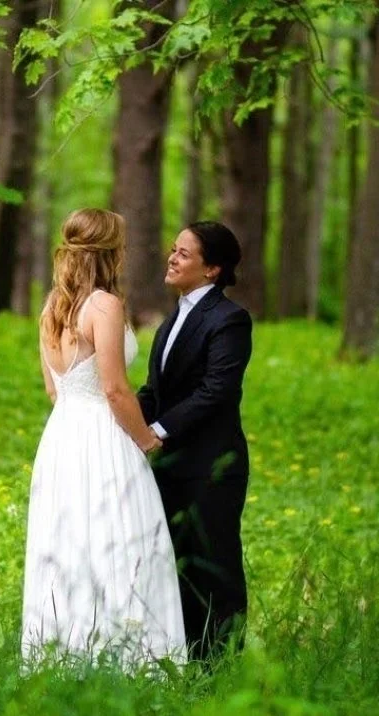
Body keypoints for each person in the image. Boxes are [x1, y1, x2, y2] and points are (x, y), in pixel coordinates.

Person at [21, 208, 186, 669]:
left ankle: (65, 655)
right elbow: (114, 388)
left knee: (70, 541)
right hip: (102, 433)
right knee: (123, 537)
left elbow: (55, 389)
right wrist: (146, 440)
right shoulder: (105, 306)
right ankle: (132, 658)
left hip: (62, 437)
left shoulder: (51, 308)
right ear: (112, 251)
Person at [137, 221, 252, 663]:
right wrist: (119, 421)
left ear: (212, 269)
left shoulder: (229, 320)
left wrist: (157, 431)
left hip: (212, 466)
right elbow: (156, 391)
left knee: (215, 565)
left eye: (184, 254)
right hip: (173, 467)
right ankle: (187, 657)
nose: (172, 257)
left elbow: (215, 389)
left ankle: (221, 665)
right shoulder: (174, 318)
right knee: (179, 563)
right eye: (173, 249)